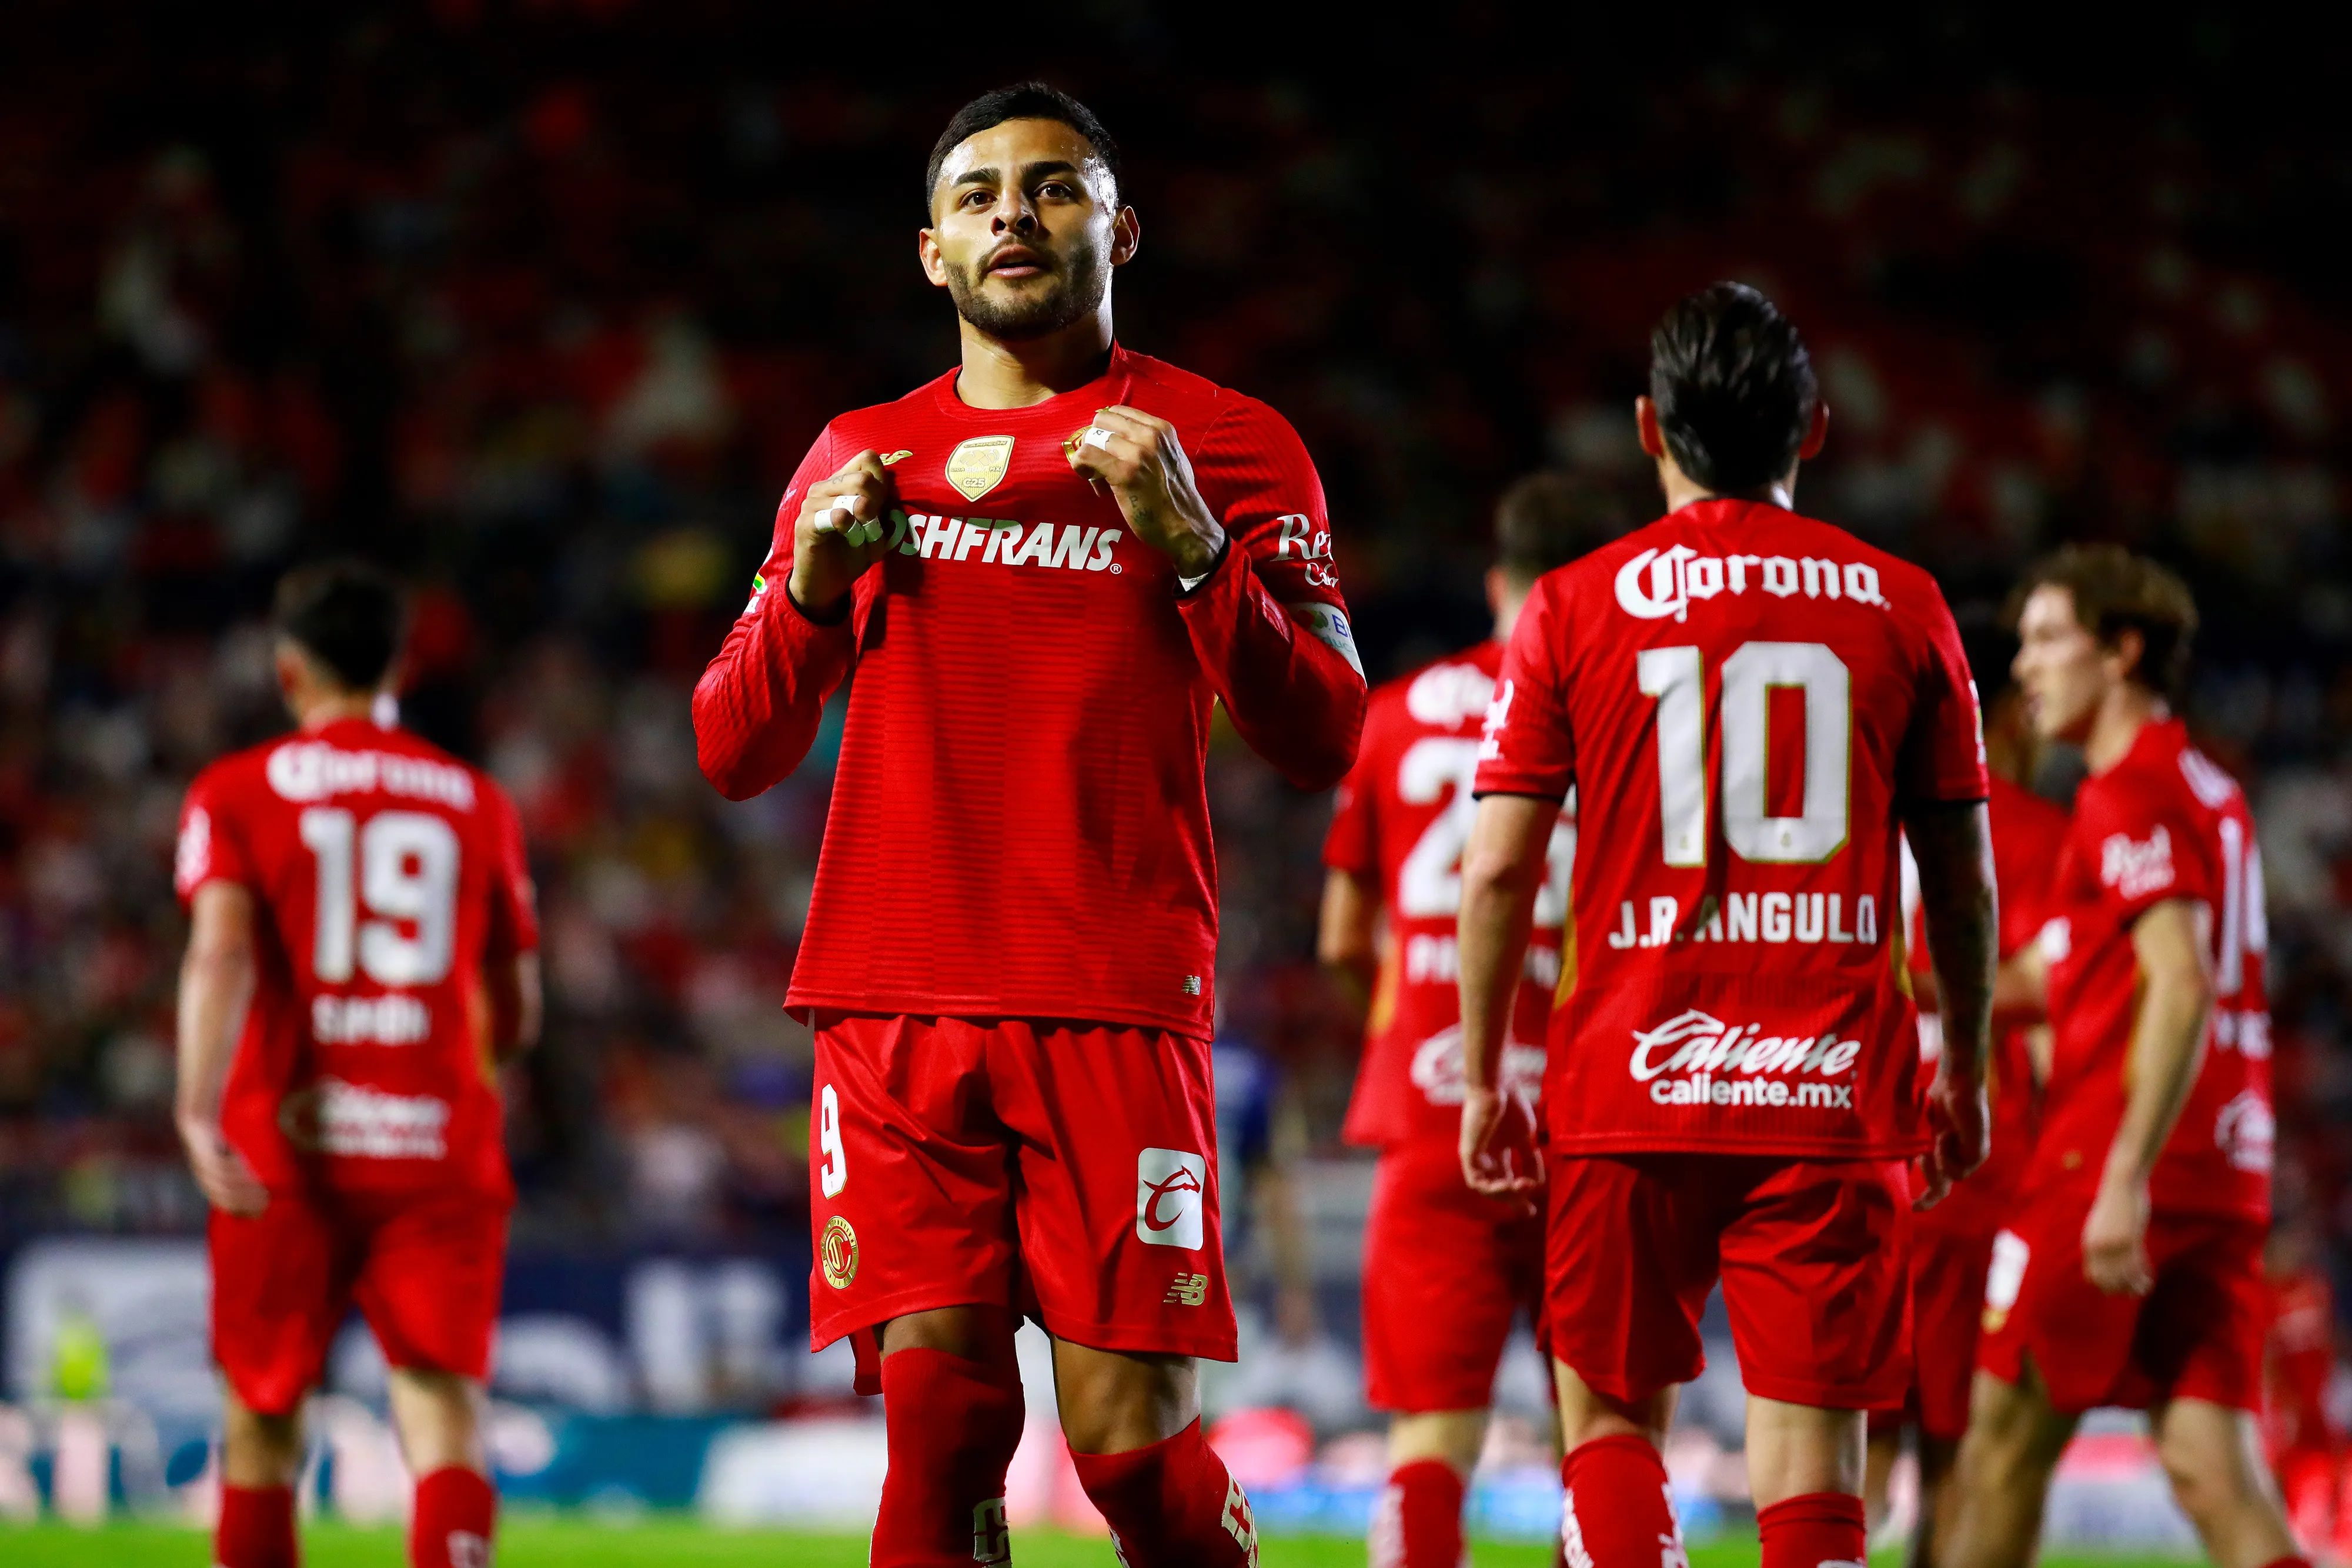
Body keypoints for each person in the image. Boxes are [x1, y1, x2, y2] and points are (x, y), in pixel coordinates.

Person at [691, 82, 1365, 1568]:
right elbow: (731, 746)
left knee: (1134, 1465)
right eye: (980, 193)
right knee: (937, 1432)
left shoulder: (1230, 446)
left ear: (1120, 229)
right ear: (930, 250)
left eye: (1054, 188)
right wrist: (806, 590)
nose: (1015, 212)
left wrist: (1198, 556)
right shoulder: (855, 454)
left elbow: (1326, 730)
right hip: (893, 997)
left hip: (1111, 997)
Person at [1456, 282, 1999, 1568]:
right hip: (1828, 1088)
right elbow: (1963, 881)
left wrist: (1486, 1076)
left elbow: (1494, 878)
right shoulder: (1905, 604)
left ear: (1647, 428)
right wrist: (1963, 1062)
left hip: (1628, 1079)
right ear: (1811, 430)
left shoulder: (1571, 605)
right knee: (1814, 1474)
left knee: (1604, 1422)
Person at [173, 561, 542, 1568]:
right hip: (435, 1150)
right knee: (442, 1416)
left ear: (287, 670)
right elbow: (516, 1012)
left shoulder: (236, 792)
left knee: (261, 1416)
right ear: (401, 666)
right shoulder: (476, 802)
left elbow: (221, 951)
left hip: (282, 1149)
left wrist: (195, 1109)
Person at [1951, 546, 2304, 1568]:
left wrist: (2122, 1177)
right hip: (2225, 1170)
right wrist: (1899, 973)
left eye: (2051, 640)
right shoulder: (2208, 788)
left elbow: (2181, 979)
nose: (2027, 667)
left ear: (2123, 652)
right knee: (2209, 1466)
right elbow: (2062, 979)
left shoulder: (2125, 794)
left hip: (2107, 1160)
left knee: (1995, 1450)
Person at [1319, 472, 1621, 1568]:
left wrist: (1416, 1030)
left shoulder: (1396, 716)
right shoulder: (1628, 720)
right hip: (1593, 1113)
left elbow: (1344, 937)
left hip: (1432, 1110)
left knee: (1431, 1432)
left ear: (1500, 581)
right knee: (1605, 1435)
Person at [1866, 686, 2069, 1566]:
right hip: (1974, 1174)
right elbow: (2058, 999)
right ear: (2014, 716)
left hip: (1853, 1153)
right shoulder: (2028, 830)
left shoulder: (1859, 813)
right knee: (1962, 1456)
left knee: (1836, 1448)